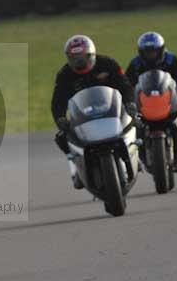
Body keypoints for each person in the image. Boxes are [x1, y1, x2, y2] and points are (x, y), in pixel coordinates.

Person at [51, 35, 136, 189]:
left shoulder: (108, 64)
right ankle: (77, 166)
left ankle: (137, 154)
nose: (78, 62)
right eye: (74, 58)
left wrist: (130, 102)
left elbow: (125, 85)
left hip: (113, 110)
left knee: (138, 122)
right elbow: (58, 100)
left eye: (82, 58)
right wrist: (60, 118)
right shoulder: (64, 74)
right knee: (62, 137)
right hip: (84, 115)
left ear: (91, 54)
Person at [125, 31, 177, 158]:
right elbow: (127, 83)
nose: (151, 55)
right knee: (133, 120)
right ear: (141, 52)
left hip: (169, 97)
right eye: (147, 52)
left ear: (161, 50)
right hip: (145, 100)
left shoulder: (170, 60)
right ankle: (139, 150)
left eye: (153, 51)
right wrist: (128, 98)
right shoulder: (135, 64)